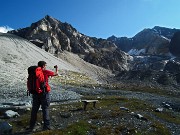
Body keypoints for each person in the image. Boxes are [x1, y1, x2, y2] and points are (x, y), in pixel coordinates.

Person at [28, 61, 58, 131]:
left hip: (35, 93)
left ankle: (31, 127)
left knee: (34, 110)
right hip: (44, 94)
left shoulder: (34, 72)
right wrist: (56, 68)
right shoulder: (45, 71)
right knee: (45, 109)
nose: (46, 67)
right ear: (43, 66)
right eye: (45, 65)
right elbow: (56, 74)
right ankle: (46, 126)